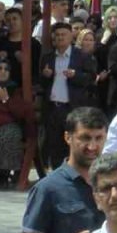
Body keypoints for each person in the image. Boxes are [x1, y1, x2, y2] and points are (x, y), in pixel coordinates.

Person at [39, 22, 99, 171]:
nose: (60, 38)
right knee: (54, 145)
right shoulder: (48, 57)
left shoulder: (81, 56)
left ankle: (75, 173)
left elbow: (91, 78)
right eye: (57, 35)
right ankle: (58, 174)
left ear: (71, 36)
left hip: (72, 108)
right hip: (53, 107)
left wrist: (75, 75)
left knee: (73, 143)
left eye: (63, 34)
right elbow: (40, 82)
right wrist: (45, 75)